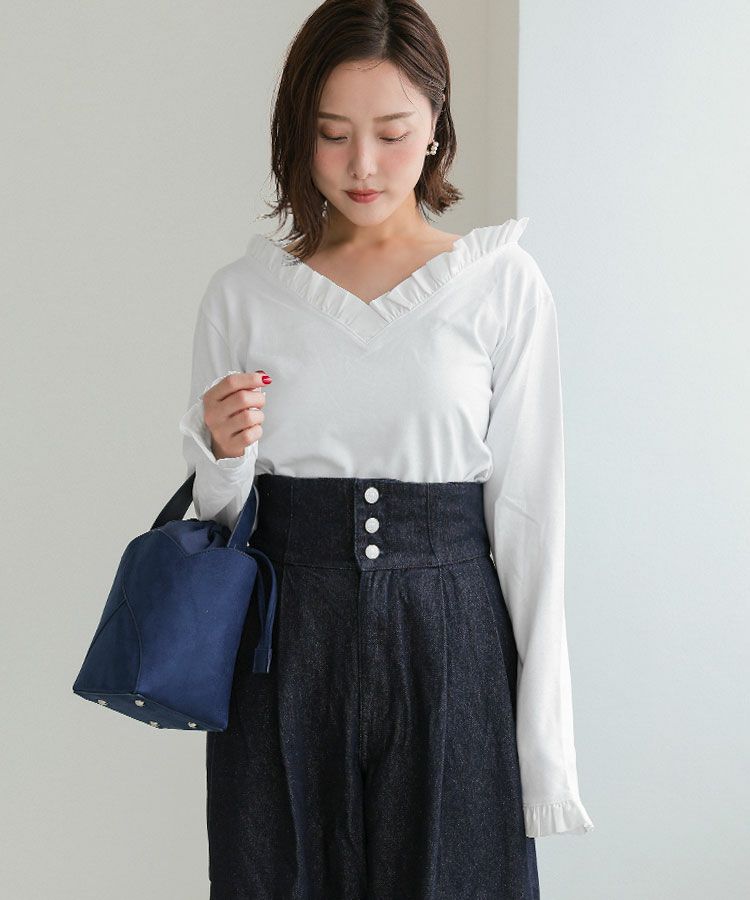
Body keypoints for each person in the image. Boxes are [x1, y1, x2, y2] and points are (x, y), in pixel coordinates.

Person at [179, 1, 594, 897]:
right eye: (332, 135)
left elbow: (531, 522)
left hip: (454, 643)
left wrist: (546, 750)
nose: (362, 165)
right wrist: (220, 455)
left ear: (437, 123)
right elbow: (216, 531)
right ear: (298, 133)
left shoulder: (500, 285)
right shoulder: (244, 295)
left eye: (392, 132)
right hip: (282, 647)